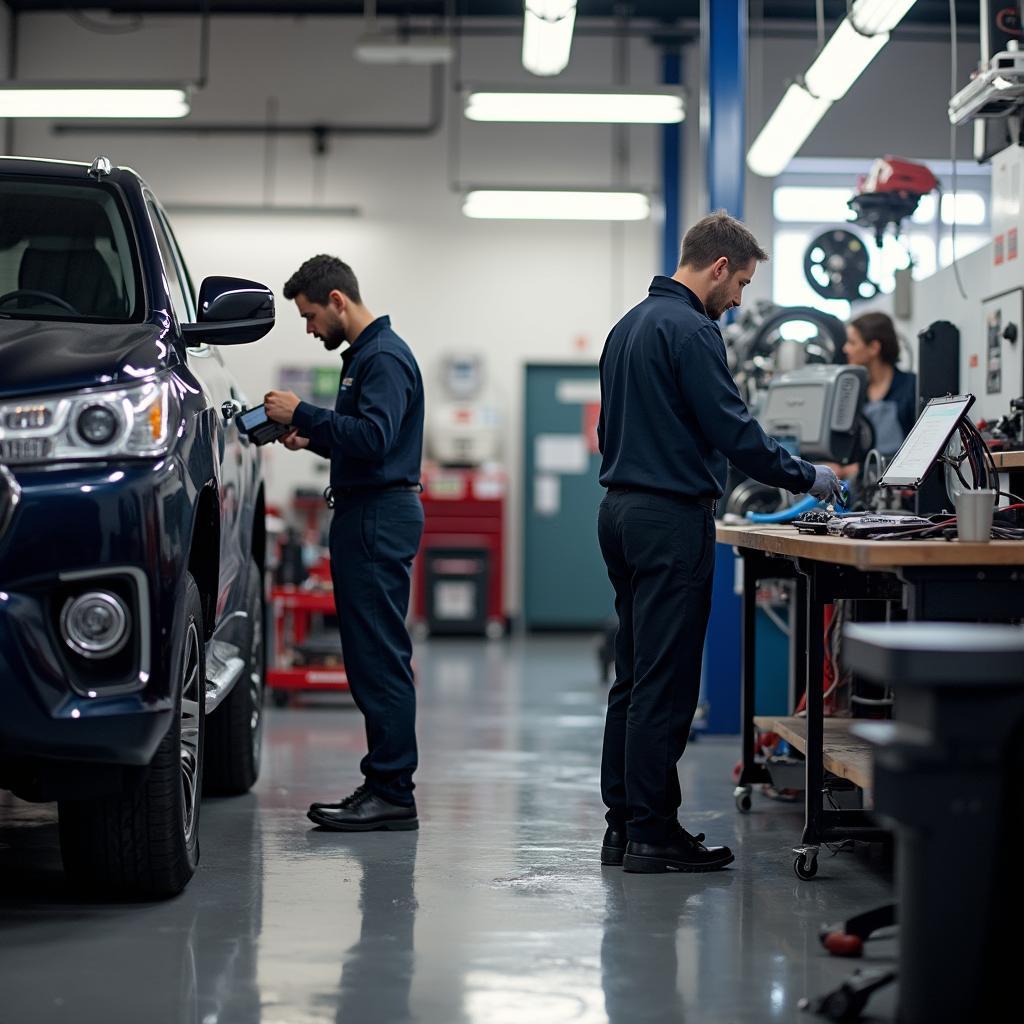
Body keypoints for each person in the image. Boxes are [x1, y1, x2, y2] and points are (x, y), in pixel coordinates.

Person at [596, 211, 842, 875]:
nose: (738, 302)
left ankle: (623, 827)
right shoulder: (691, 329)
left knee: (635, 676)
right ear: (718, 267)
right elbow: (734, 433)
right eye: (740, 284)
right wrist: (810, 476)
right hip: (669, 520)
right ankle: (653, 835)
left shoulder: (626, 328)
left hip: (619, 512)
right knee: (667, 685)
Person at [265, 254, 425, 832]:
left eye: (310, 316)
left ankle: (391, 792)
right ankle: (385, 784)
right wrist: (311, 438)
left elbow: (378, 439)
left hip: (378, 516)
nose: (309, 330)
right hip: (368, 512)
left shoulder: (382, 357)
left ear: (337, 301)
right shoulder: (367, 357)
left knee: (379, 659)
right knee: (369, 657)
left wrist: (303, 409)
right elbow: (362, 441)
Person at [842, 310, 917, 464]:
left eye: (852, 343)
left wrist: (860, 469)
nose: (845, 349)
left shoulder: (912, 387)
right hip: (862, 485)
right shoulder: (855, 393)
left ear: (874, 348)